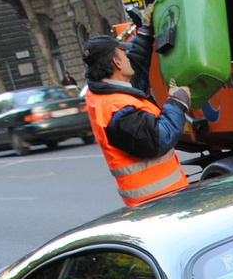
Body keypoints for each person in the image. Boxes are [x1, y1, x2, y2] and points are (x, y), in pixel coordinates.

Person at [81, 20, 191, 207]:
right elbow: (158, 139)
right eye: (124, 54)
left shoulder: (105, 92)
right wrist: (177, 103)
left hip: (158, 199)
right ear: (116, 62)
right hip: (157, 203)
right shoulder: (117, 110)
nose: (128, 58)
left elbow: (136, 66)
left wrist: (145, 33)